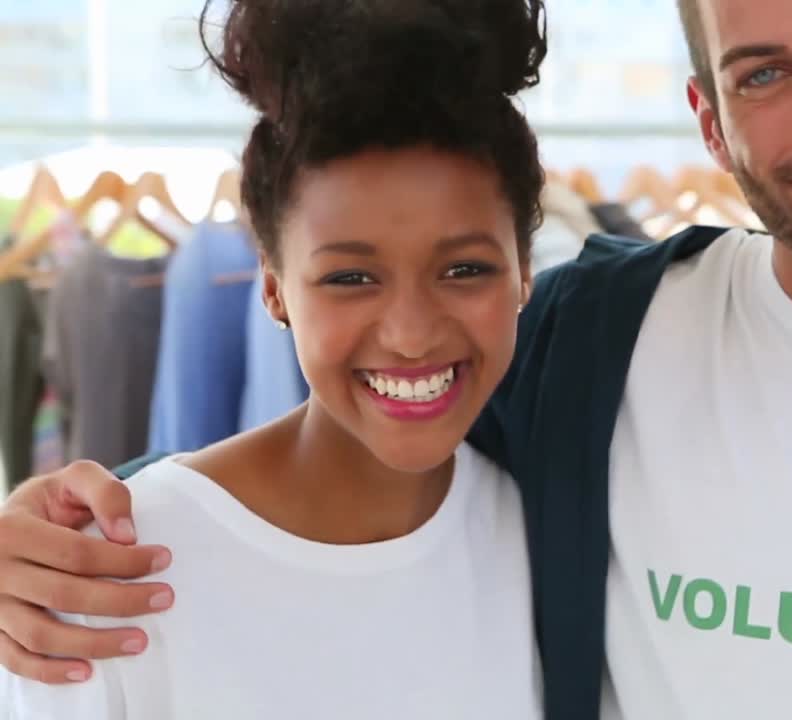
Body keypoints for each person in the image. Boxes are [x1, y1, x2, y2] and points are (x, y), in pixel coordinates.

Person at [0, 0, 792, 716]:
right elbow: (338, 473)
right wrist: (54, 522)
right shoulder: (607, 342)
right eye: (761, 72)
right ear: (708, 119)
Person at [0, 0, 547, 717]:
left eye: (465, 270)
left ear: (525, 273)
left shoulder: (555, 531)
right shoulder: (98, 578)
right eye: (350, 278)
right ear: (273, 287)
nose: (412, 335)